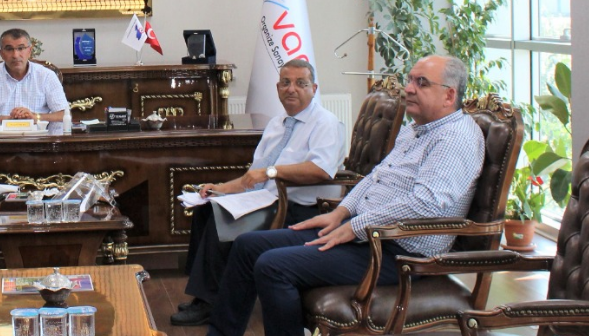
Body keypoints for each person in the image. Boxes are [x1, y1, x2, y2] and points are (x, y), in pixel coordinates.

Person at [207, 55, 485, 336]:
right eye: (410, 80)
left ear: (449, 95)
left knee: (272, 267)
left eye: (421, 83)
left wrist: (354, 226)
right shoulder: (415, 130)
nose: (409, 88)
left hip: (400, 252)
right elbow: (375, 176)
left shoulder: (454, 138)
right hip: (367, 235)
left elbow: (425, 203)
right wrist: (341, 212)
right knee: (247, 246)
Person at [170, 59, 346, 326]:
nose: (291, 89)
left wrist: (272, 172)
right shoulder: (277, 124)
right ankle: (205, 294)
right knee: (207, 208)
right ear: (277, 88)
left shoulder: (326, 123)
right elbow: (254, 175)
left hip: (300, 207)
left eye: (301, 83)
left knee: (222, 220)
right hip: (265, 199)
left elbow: (321, 169)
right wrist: (220, 189)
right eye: (285, 83)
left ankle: (211, 303)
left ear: (314, 89)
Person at [0, 28, 69, 124]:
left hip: (39, 134)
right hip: (1, 135)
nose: (15, 55)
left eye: (21, 48)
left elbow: (63, 114)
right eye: (9, 49)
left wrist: (35, 117)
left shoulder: (46, 76)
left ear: (29, 51)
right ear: (1, 53)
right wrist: (6, 119)